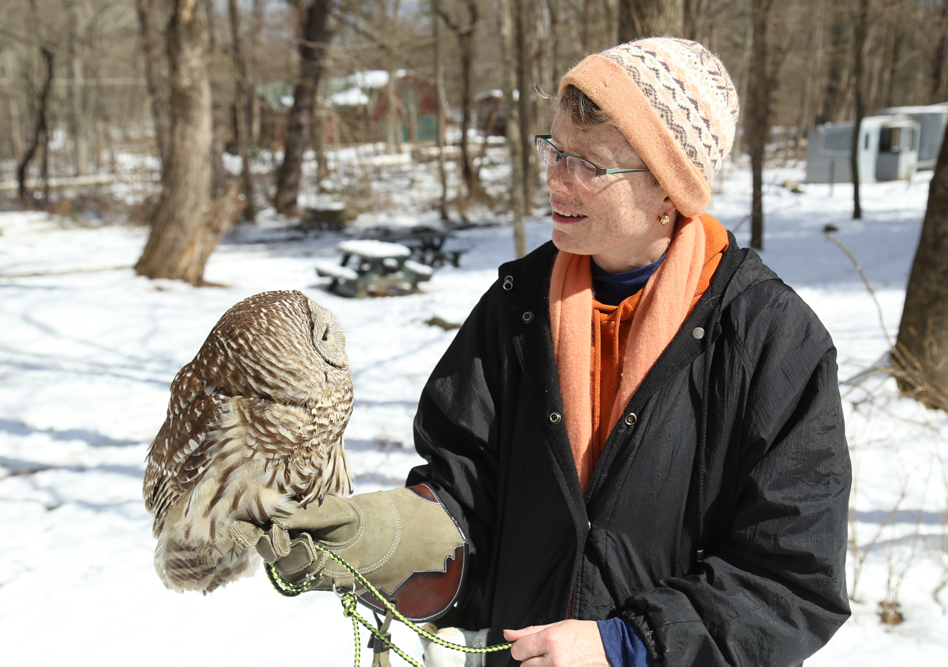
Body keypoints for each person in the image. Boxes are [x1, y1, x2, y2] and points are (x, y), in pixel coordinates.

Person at [250, 37, 852, 667]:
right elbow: (465, 492)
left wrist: (627, 645)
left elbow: (793, 580)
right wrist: (390, 541)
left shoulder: (774, 341)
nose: (556, 179)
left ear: (671, 191)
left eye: (590, 165)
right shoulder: (516, 308)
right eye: (555, 150)